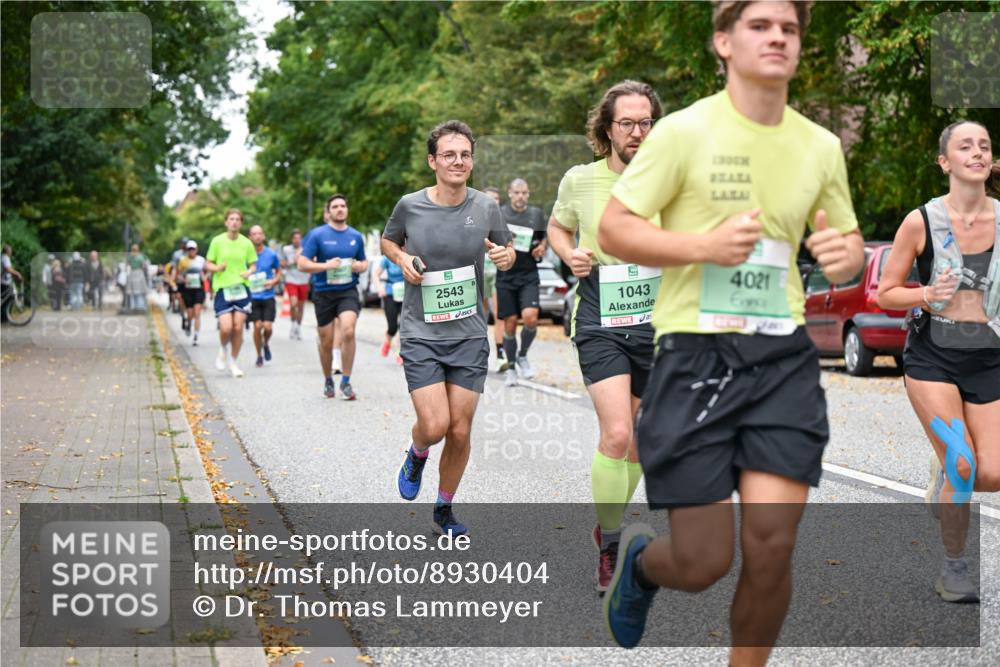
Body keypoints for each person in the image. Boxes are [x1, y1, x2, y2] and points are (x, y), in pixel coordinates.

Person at [597, 2, 866, 661]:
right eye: (760, 25)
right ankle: (640, 564)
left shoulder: (820, 145)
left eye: (790, 28)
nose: (778, 36)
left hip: (782, 356)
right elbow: (614, 226)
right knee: (702, 560)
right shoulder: (683, 133)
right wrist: (703, 245)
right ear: (724, 41)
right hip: (695, 354)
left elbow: (851, 240)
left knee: (772, 546)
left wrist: (846, 256)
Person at [547, 80, 663, 593]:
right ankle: (612, 544)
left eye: (645, 122)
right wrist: (568, 253)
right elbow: (557, 227)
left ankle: (607, 522)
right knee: (616, 434)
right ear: (607, 128)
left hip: (657, 320)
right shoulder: (581, 180)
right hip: (599, 315)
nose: (637, 132)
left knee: (639, 444)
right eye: (627, 123)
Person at [877, 120, 1000, 604]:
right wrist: (926, 294)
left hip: (989, 358)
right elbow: (887, 292)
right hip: (933, 358)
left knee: (989, 474)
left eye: (985, 146)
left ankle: (945, 473)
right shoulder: (921, 221)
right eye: (965, 146)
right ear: (945, 162)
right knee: (965, 464)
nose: (977, 152)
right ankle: (954, 569)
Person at [381, 119, 515, 536]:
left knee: (460, 429)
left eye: (465, 155)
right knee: (436, 426)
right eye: (449, 155)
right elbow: (389, 242)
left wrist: (506, 258)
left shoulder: (485, 207)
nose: (458, 161)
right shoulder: (410, 205)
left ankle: (444, 507)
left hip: (470, 333)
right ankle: (418, 451)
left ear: (472, 160)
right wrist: (402, 260)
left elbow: (505, 247)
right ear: (432, 161)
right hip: (421, 332)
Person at [297, 194, 368, 400]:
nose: (340, 209)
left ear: (347, 210)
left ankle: (345, 381)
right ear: (329, 212)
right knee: (326, 341)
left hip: (348, 291)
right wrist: (326, 266)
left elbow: (364, 264)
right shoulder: (317, 235)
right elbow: (302, 263)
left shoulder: (356, 235)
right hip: (324, 293)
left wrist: (358, 266)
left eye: (343, 206)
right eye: (335, 206)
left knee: (348, 330)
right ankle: (328, 378)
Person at [496, 178, 547, 386]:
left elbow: (544, 238)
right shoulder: (500, 214)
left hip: (528, 274)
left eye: (524, 193)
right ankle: (511, 368)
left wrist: (542, 247)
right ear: (509, 193)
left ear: (528, 193)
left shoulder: (536, 214)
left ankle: (523, 355)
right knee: (509, 323)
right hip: (506, 275)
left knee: (530, 318)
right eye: (517, 193)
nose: (521, 197)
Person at [205, 209, 257, 378]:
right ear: (226, 222)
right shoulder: (217, 241)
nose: (234, 222)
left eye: (237, 219)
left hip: (241, 289)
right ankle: (222, 348)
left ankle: (233, 362)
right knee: (226, 327)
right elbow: (208, 264)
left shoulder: (247, 243)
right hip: (223, 289)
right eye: (231, 219)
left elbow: (253, 265)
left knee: (238, 326)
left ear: (241, 223)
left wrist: (249, 272)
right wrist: (217, 268)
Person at [248, 225, 283, 367]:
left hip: (268, 295)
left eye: (259, 233)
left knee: (267, 327)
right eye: (254, 234)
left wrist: (274, 281)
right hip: (253, 297)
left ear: (263, 236)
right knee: (257, 326)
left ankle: (266, 343)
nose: (257, 236)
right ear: (250, 237)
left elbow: (279, 272)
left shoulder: (271, 254)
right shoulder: (246, 254)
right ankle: (259, 355)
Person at [483, 186, 506, 370]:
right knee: (478, 316)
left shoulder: (501, 223)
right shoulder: (470, 219)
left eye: (497, 199)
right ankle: (479, 352)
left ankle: (500, 355)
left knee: (499, 315)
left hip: (497, 275)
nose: (495, 202)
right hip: (477, 275)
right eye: (491, 198)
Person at [373, 254, 405, 364]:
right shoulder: (387, 258)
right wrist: (380, 289)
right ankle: (387, 340)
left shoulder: (408, 255)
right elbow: (376, 274)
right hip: (390, 294)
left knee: (403, 326)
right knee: (393, 327)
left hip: (406, 295)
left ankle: (400, 353)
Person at [281, 229, 310, 340]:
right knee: (293, 304)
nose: (297, 240)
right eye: (295, 238)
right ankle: (293, 324)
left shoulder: (306, 249)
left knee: (301, 306)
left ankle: (298, 327)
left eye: (299, 238)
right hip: (291, 280)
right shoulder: (286, 249)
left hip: (304, 280)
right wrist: (293, 261)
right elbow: (282, 264)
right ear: (292, 239)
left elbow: (311, 261)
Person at [177, 240, 207, 346]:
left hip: (199, 289)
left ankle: (196, 337)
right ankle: (188, 323)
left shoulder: (201, 260)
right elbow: (179, 274)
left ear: (196, 250)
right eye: (189, 249)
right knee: (190, 313)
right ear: (187, 250)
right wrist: (183, 280)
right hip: (188, 289)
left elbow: (207, 272)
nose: (191, 251)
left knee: (197, 312)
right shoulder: (183, 261)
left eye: (193, 249)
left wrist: (205, 277)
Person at [1, 245, 23, 323]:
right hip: (3, 282)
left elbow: (8, 269)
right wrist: (17, 273)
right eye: (10, 250)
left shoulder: (2, 257)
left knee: (5, 299)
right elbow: (7, 268)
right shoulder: (5, 258)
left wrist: (13, 274)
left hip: (3, 281)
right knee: (8, 300)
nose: (11, 252)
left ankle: (4, 318)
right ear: (7, 251)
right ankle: (4, 319)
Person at [125, 244, 149, 312]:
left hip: (132, 273)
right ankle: (140, 306)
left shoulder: (130, 257)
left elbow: (127, 265)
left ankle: (133, 306)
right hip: (139, 273)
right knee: (140, 291)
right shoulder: (140, 257)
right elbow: (143, 266)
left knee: (132, 291)